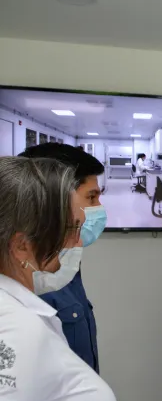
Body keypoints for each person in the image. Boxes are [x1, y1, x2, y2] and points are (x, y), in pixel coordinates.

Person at [0, 155, 122, 401]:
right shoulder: (16, 327)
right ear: (22, 245)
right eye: (70, 229)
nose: (77, 242)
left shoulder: (22, 314)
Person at [19, 143, 107, 373]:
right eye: (91, 197)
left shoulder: (66, 265)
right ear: (52, 199)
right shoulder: (24, 279)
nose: (98, 208)